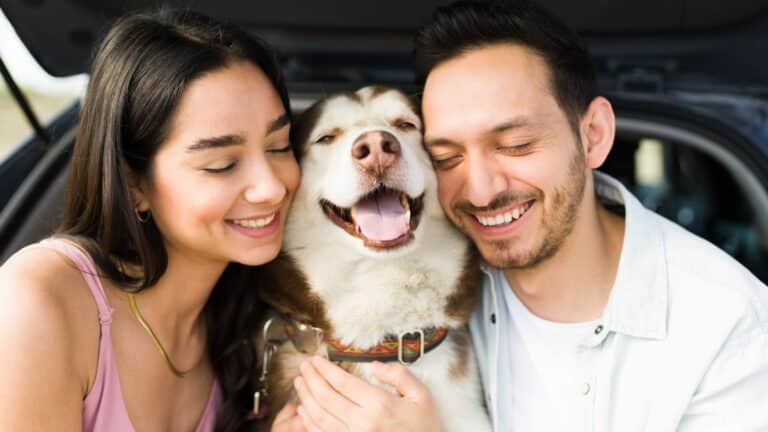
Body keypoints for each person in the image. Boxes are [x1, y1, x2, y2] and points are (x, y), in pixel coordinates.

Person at [293, 1, 768, 431]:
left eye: (516, 145)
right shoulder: (436, 279)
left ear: (595, 135)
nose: (481, 191)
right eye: (448, 157)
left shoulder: (730, 329)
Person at [0, 9, 304, 432]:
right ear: (133, 184)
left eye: (279, 145)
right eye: (222, 164)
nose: (271, 187)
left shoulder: (249, 330)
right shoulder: (41, 298)